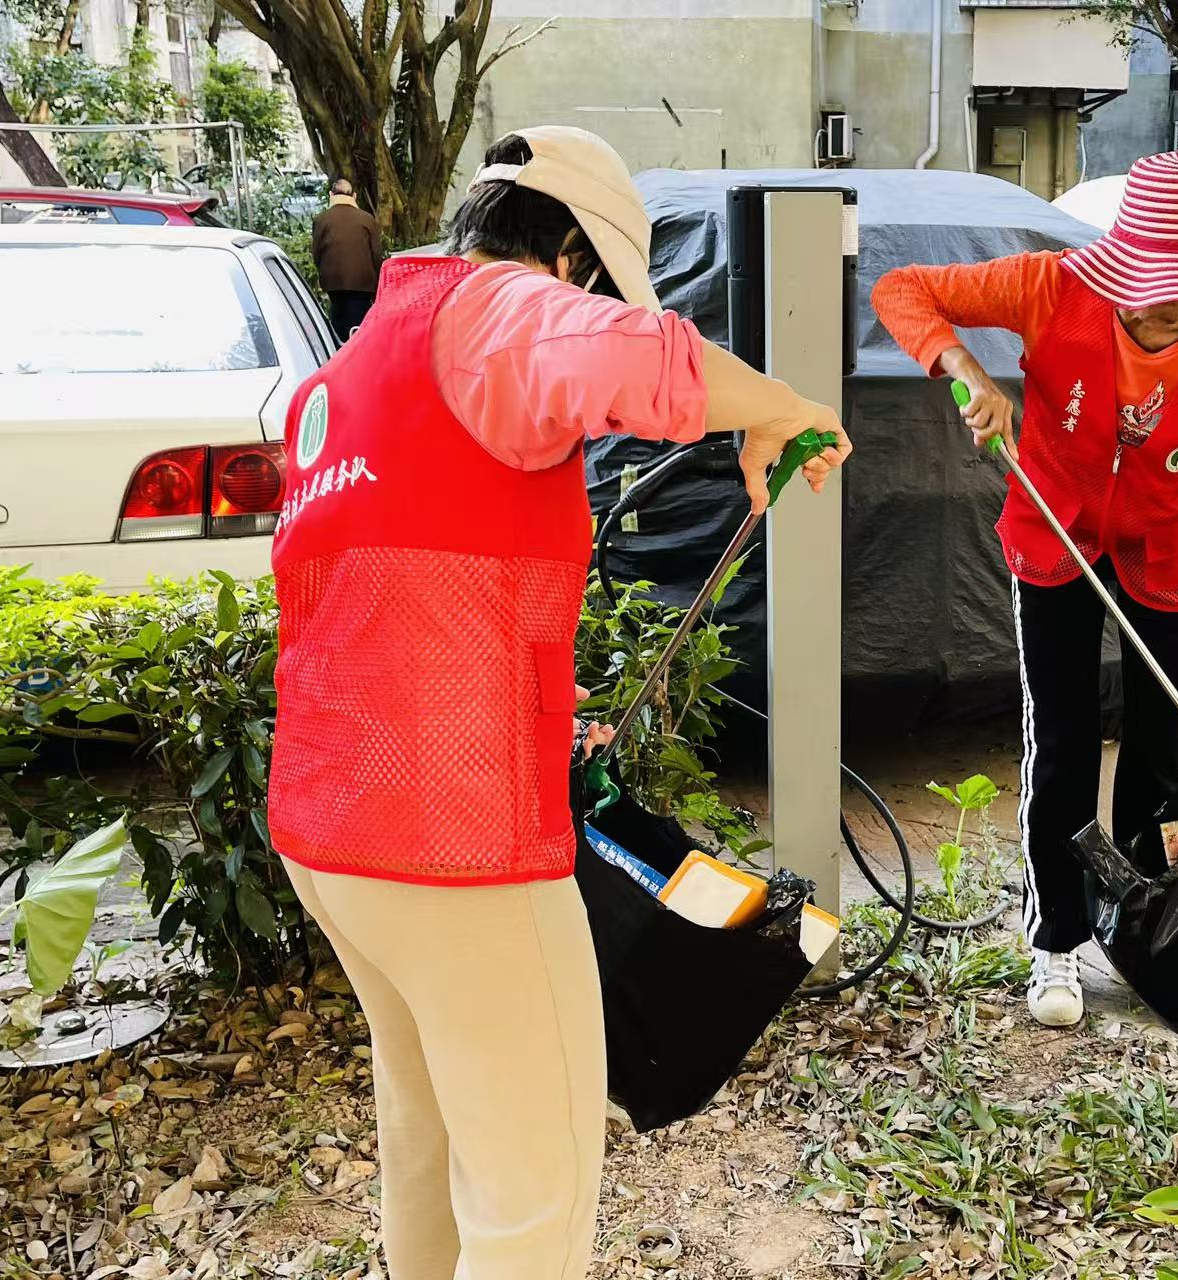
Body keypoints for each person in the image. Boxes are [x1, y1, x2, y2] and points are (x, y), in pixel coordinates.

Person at [266, 126, 850, 1278]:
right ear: (572, 257)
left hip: (331, 830)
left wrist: (527, 695)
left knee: (428, 1138)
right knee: (530, 1199)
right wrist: (781, 405)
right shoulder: (497, 308)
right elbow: (643, 358)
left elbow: (384, 601)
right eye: (595, 285)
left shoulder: (353, 368)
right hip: (454, 843)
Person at [872, 151, 1178, 1030]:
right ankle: (1056, 937)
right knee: (1060, 746)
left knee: (1159, 756)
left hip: (1172, 553)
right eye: (1146, 285)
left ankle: (1137, 931)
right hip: (1055, 534)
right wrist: (965, 369)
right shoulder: (1052, 287)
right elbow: (903, 289)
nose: (1157, 307)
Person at [310, 177, 383, 337]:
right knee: (359, 327)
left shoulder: (321, 220)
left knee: (338, 321)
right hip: (363, 283)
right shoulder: (367, 219)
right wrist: (377, 284)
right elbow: (376, 254)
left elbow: (316, 253)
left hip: (333, 282)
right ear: (354, 196)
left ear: (331, 195)